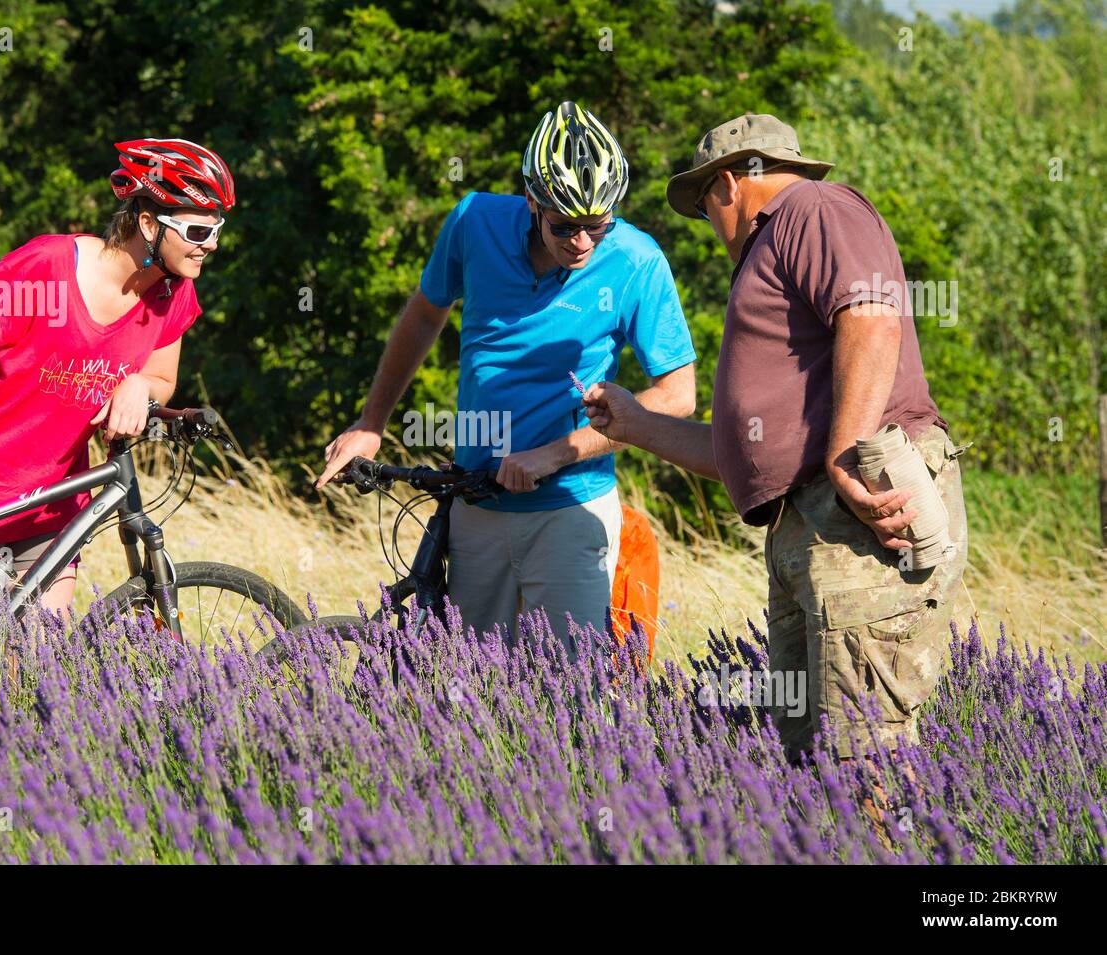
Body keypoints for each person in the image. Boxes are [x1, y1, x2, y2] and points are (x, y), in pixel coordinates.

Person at [584, 113, 968, 761]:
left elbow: (872, 317)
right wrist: (636, 424)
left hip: (850, 518)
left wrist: (846, 455)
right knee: (806, 761)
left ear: (728, 185)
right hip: (810, 528)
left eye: (705, 208)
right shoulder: (779, 245)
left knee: (861, 757)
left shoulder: (813, 209)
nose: (710, 228)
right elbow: (744, 457)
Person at [317, 102, 697, 655]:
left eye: (598, 224)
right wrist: (371, 422)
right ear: (531, 201)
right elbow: (425, 313)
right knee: (472, 693)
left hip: (573, 507)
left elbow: (678, 395)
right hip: (475, 502)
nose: (584, 242)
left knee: (574, 698)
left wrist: (555, 454)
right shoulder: (474, 221)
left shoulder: (637, 259)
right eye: (566, 226)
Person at [0, 138, 235, 617]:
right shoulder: (50, 272)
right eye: (195, 231)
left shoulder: (171, 295)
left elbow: (162, 377)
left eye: (216, 231)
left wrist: (138, 385)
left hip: (54, 505)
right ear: (148, 223)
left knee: (39, 672)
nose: (209, 245)